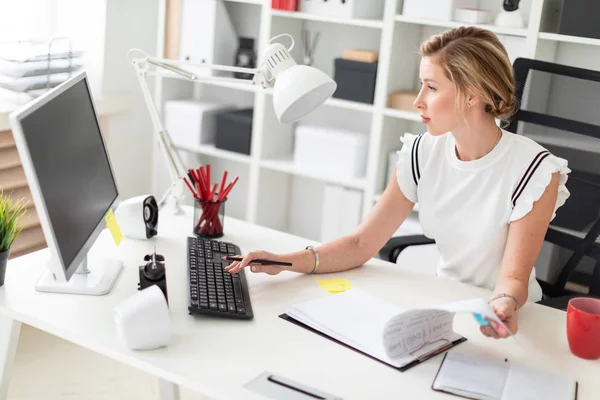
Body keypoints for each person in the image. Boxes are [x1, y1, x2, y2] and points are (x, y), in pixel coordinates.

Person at [226, 27, 570, 340]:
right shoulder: (421, 152)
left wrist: (503, 306)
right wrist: (285, 261)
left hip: (506, 319)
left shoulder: (535, 170)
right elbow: (362, 242)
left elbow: (512, 280)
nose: (418, 100)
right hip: (444, 306)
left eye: (432, 87)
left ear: (472, 95)